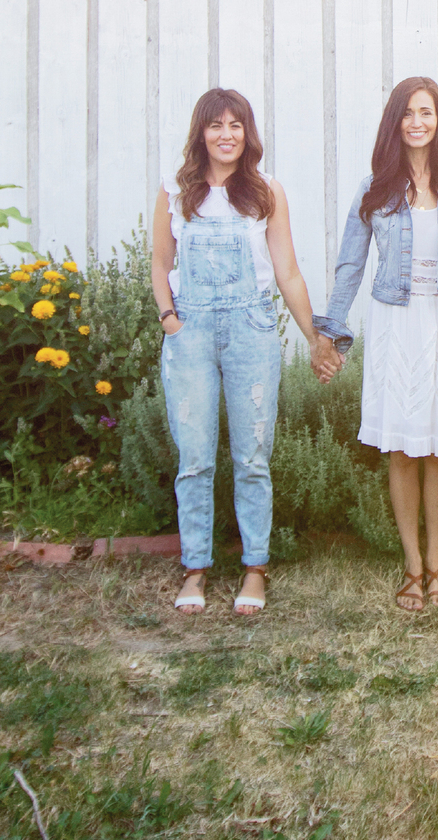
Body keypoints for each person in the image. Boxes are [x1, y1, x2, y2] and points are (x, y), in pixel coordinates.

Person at [315, 76, 438, 611]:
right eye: (407, 113)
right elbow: (351, 264)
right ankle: (412, 568)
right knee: (401, 447)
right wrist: (332, 335)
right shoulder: (375, 188)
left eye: (426, 112)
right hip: (397, 325)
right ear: (395, 122)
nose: (417, 122)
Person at [152, 87, 339, 616]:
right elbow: (159, 263)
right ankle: (196, 570)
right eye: (216, 125)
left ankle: (254, 567)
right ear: (201, 133)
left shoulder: (265, 192)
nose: (226, 134)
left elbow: (288, 272)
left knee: (253, 456)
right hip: (190, 334)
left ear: (247, 134)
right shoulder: (174, 191)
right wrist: (170, 319)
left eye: (236, 125)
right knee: (194, 456)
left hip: (252, 331)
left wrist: (313, 336)